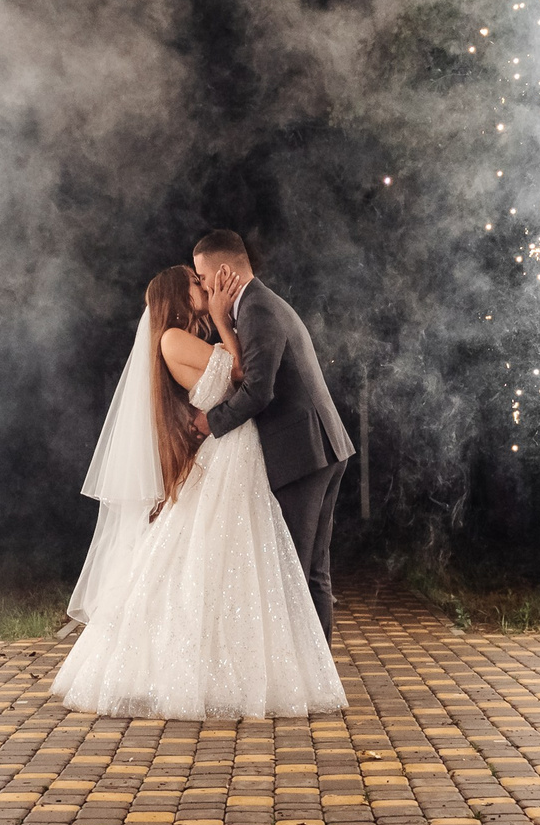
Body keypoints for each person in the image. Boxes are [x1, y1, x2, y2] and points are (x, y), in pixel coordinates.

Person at [53, 260, 346, 719]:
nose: (205, 288)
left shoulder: (183, 338)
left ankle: (270, 666)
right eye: (196, 285)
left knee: (245, 561)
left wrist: (221, 320)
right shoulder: (172, 338)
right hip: (231, 449)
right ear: (177, 295)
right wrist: (227, 320)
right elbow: (237, 373)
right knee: (222, 560)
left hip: (237, 447)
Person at [189, 229, 355, 637]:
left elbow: (259, 391)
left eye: (204, 277)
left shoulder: (257, 309)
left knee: (295, 571)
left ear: (223, 271)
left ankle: (306, 682)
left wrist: (213, 421)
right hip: (324, 449)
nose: (205, 287)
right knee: (314, 571)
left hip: (303, 454)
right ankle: (320, 681)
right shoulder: (260, 302)